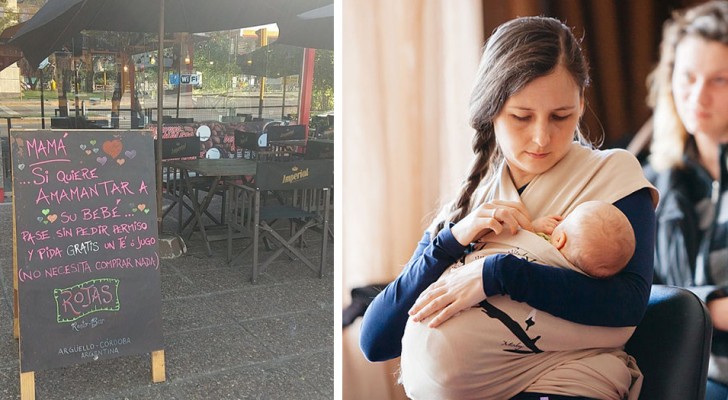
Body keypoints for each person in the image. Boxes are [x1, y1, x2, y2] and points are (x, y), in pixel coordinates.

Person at [359, 15, 658, 400]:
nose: (541, 137)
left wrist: (497, 273)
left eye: (560, 117)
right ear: (491, 110)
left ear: (582, 104)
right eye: (521, 117)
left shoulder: (613, 174)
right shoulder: (469, 204)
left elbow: (627, 306)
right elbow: (376, 341)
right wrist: (448, 243)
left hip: (565, 387)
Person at [643, 2, 728, 398]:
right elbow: (638, 293)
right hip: (680, 376)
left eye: (719, 80)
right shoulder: (651, 182)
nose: (697, 96)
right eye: (688, 76)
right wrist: (710, 308)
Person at [530, 200, 636, 278]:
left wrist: (533, 227)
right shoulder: (575, 281)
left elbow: (519, 240)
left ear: (559, 240)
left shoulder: (543, 243)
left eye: (567, 217)